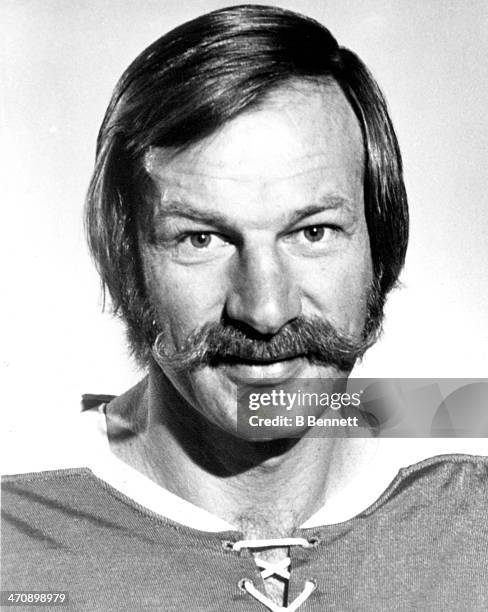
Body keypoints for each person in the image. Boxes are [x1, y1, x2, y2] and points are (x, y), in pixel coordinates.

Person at [2, 5, 487, 611]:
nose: (264, 310)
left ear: (381, 247)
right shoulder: (13, 519)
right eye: (200, 239)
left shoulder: (470, 487)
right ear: (125, 260)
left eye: (313, 232)